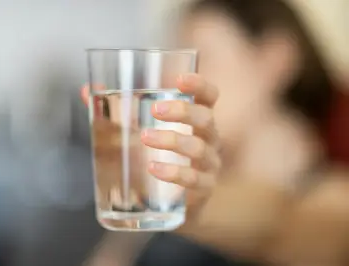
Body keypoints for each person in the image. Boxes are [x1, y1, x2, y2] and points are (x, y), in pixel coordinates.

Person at [82, 0, 343, 265]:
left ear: (275, 58)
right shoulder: (173, 189)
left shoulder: (329, 196)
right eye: (170, 63)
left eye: (201, 58)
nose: (172, 80)